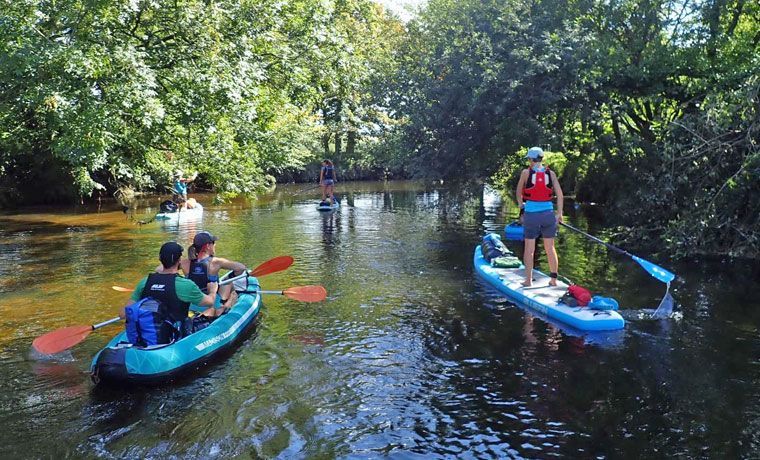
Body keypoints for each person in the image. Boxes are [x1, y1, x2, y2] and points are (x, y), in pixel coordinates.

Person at [121, 242, 218, 344]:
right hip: (176, 336)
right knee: (211, 310)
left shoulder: (144, 282)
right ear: (179, 260)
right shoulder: (186, 285)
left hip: (151, 331)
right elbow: (209, 302)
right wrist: (212, 290)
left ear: (160, 258)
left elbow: (123, 314)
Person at [515, 147, 564, 287]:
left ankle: (528, 280)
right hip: (548, 215)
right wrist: (559, 213)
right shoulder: (551, 174)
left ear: (531, 159)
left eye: (529, 159)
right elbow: (560, 195)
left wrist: (521, 206)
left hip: (531, 215)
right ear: (541, 158)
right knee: (550, 248)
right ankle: (553, 280)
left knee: (529, 249)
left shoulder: (525, 173)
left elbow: (518, 192)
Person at [181, 231, 247, 317]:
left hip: (191, 304)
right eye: (213, 243)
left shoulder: (184, 263)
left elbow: (160, 269)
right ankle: (229, 302)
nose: (215, 245)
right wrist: (231, 276)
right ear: (208, 246)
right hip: (211, 303)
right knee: (229, 282)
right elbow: (241, 268)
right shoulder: (216, 262)